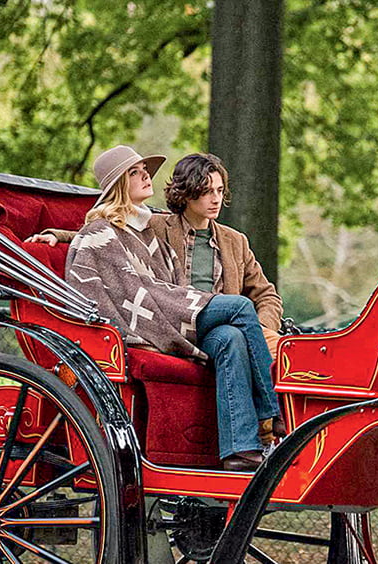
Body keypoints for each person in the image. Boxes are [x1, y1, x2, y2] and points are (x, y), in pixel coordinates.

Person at [63, 145, 278, 471]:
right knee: (239, 307)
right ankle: (272, 418)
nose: (215, 199)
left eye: (219, 191)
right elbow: (109, 232)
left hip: (216, 328)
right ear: (188, 194)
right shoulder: (160, 227)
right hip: (178, 314)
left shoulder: (236, 241)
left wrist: (263, 330)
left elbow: (267, 295)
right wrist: (58, 236)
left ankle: (241, 452)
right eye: (206, 192)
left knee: (234, 337)